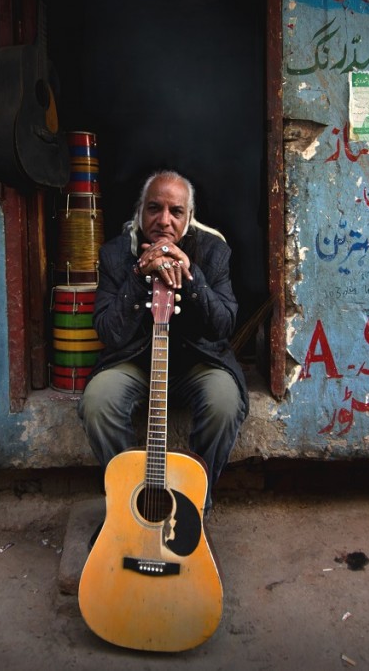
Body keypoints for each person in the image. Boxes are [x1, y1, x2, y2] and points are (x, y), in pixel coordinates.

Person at [77, 170, 248, 515]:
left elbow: (224, 326)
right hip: (136, 360)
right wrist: (139, 275)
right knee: (98, 402)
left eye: (176, 211)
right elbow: (108, 332)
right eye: (154, 208)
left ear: (189, 217)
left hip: (198, 359)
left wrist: (192, 275)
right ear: (140, 210)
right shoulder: (114, 254)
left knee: (224, 403)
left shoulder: (214, 251)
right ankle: (129, 507)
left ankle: (192, 505)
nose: (164, 221)